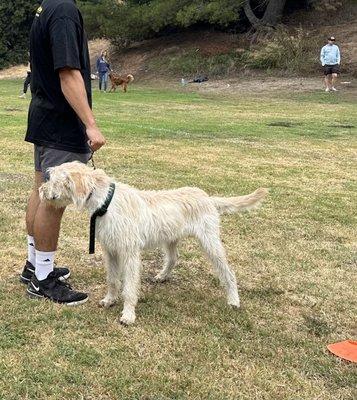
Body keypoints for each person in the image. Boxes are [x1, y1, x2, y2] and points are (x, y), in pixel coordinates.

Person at [21, 0, 106, 305]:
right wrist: (91, 125)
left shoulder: (46, 7)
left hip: (44, 117)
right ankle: (43, 278)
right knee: (53, 200)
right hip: (60, 122)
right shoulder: (64, 11)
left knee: (40, 192)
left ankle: (33, 265)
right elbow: (68, 73)